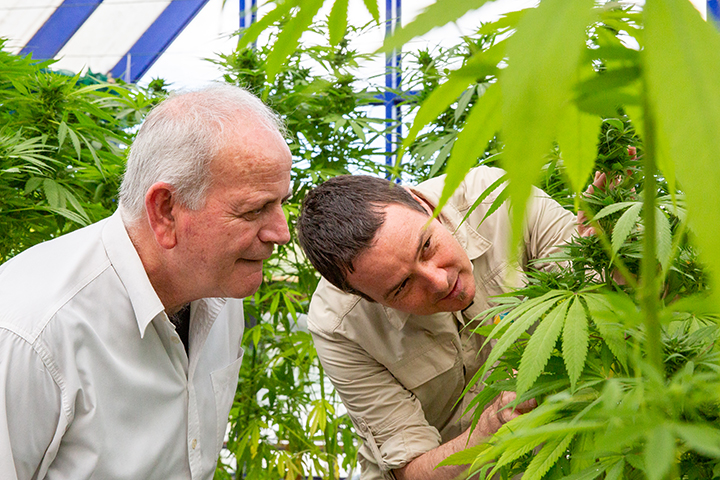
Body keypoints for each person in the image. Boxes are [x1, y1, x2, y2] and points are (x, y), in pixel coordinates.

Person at [0, 84, 292, 479]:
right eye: (255, 210)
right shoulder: (32, 331)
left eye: (281, 203)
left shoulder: (219, 291)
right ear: (166, 210)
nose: (281, 232)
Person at [297, 166, 579, 480]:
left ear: (426, 206)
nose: (440, 281)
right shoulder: (339, 324)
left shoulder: (501, 199)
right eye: (402, 286)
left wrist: (615, 261)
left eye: (427, 246)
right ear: (368, 297)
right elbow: (412, 471)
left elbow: (594, 295)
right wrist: (492, 425)